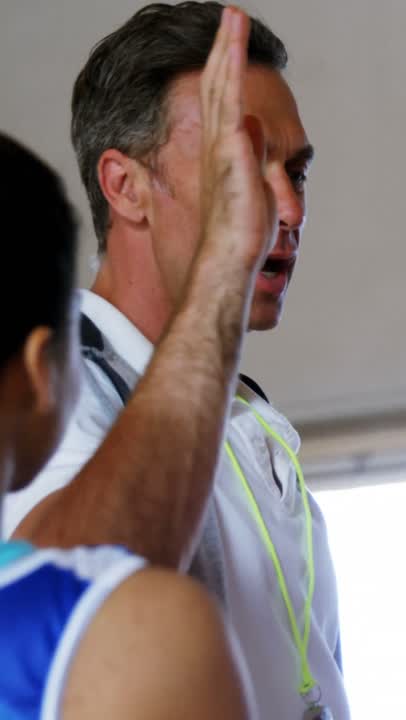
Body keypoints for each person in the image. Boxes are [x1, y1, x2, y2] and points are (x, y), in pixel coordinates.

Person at [2, 3, 347, 718]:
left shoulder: (249, 422)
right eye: (240, 168)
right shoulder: (44, 401)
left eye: (297, 172)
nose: (286, 206)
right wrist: (226, 264)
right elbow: (62, 610)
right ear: (125, 187)